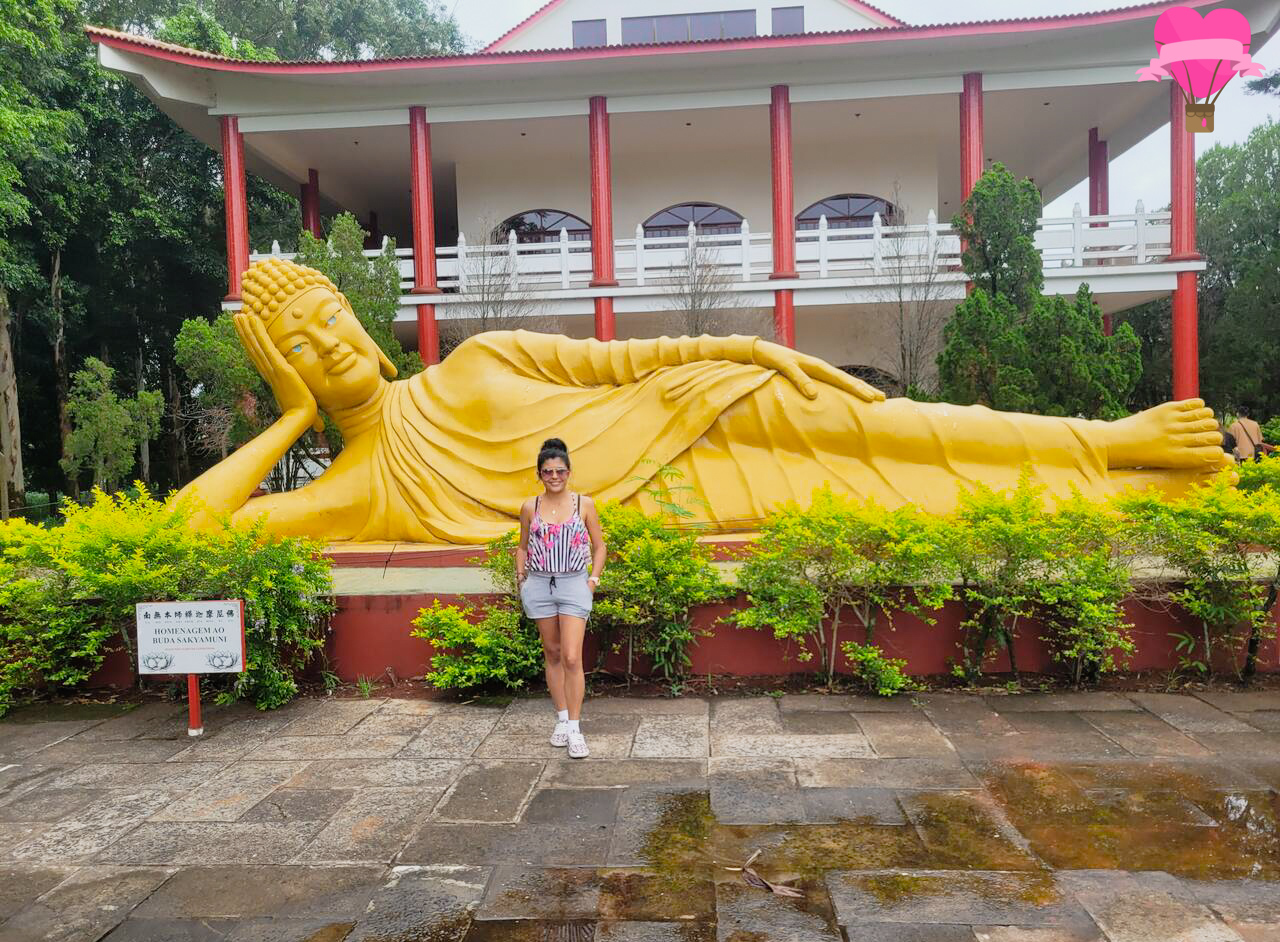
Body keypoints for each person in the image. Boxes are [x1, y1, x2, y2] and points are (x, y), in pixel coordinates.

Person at [174, 259, 1233, 543]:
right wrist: (291, 419)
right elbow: (192, 528)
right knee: (887, 497)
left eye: (333, 318)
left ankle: (1106, 440)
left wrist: (744, 345)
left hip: (699, 404)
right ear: (292, 369)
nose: (334, 345)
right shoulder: (359, 488)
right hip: (674, 498)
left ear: (365, 317)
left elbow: (622, 361)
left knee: (880, 425)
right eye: (303, 347)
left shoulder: (479, 358)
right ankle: (1125, 491)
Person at [515, 438, 606, 759]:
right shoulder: (531, 507)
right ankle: (562, 720)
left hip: (573, 584)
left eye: (560, 471)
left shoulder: (585, 504)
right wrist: (522, 578)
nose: (554, 476)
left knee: (571, 656)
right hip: (539, 585)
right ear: (539, 474)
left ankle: (576, 729)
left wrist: (592, 580)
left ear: (569, 472)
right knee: (552, 653)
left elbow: (600, 545)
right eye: (548, 471)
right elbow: (523, 546)